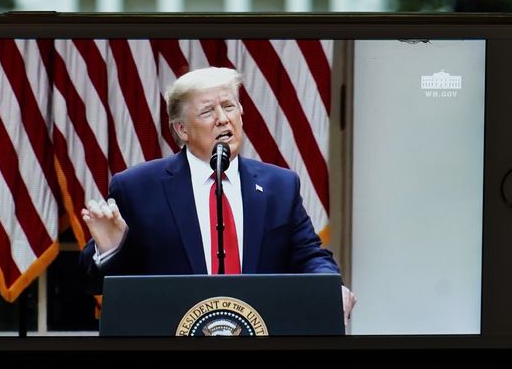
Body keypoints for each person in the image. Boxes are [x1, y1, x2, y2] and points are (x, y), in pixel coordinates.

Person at [79, 66, 357, 325]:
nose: (223, 119)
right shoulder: (138, 188)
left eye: (229, 106)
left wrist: (329, 288)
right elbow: (94, 284)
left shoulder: (280, 185)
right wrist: (111, 249)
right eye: (207, 111)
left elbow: (309, 255)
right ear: (181, 129)